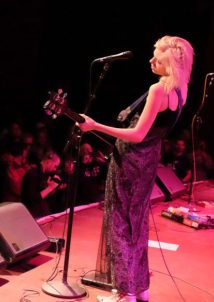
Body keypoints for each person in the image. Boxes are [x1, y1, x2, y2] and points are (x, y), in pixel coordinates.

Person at [77, 36, 194, 302]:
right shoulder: (180, 90)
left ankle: (124, 292)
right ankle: (140, 288)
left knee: (119, 224)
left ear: (172, 61)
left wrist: (95, 126)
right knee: (136, 224)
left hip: (131, 161)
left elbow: (137, 134)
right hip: (148, 161)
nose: (151, 60)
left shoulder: (158, 90)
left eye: (157, 57)